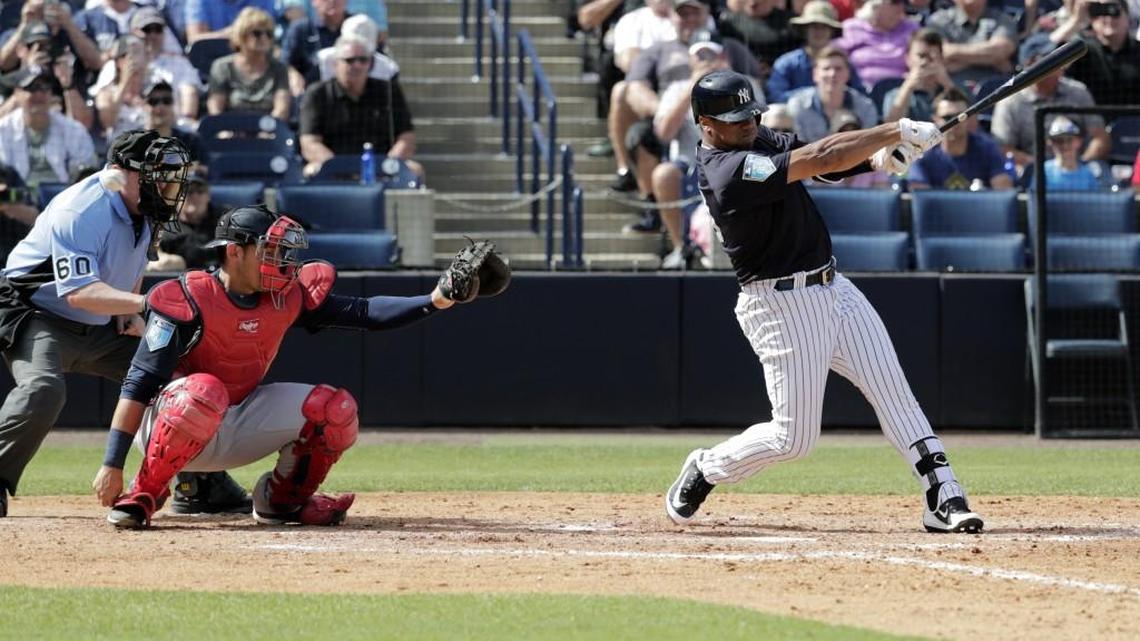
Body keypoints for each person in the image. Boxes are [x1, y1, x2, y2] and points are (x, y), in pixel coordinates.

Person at [665, 69, 984, 534]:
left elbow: (821, 161)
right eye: (734, 121)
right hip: (779, 306)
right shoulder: (725, 171)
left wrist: (878, 160)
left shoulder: (756, 139)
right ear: (705, 123)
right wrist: (895, 129)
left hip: (835, 288)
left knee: (894, 394)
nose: (748, 125)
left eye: (750, 115)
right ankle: (707, 467)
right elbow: (820, 155)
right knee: (793, 439)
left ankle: (945, 494)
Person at [91, 207, 508, 528]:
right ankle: (144, 492)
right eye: (270, 251)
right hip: (171, 419)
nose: (284, 262)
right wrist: (112, 463)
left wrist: (435, 299)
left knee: (334, 409)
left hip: (235, 416)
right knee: (204, 391)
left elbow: (366, 312)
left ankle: (281, 501)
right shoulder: (185, 296)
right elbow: (139, 383)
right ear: (235, 252)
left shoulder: (289, 294)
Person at [0, 129, 190, 518]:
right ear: (123, 173)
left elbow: (131, 265)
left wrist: (128, 312)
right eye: (157, 173)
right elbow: (79, 293)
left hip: (100, 320)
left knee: (182, 385)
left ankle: (201, 483)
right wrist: (149, 304)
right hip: (35, 313)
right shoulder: (82, 209)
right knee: (43, 390)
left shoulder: (145, 206)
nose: (168, 183)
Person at [299, 36, 420, 179]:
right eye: (350, 60)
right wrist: (339, 166)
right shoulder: (317, 94)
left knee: (414, 170)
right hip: (332, 167)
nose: (357, 65)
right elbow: (309, 143)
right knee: (310, 171)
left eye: (363, 60)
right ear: (336, 64)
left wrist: (390, 163)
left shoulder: (389, 91)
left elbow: (406, 137)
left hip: (381, 167)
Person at [990, 34, 1109, 170]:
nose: (1060, 62)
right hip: (1032, 171)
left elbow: (1100, 138)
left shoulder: (1078, 92)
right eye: (1051, 58)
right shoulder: (1011, 101)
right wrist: (1043, 169)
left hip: (1078, 169)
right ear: (1030, 64)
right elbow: (1002, 148)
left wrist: (1080, 165)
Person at [0, 67, 95, 187]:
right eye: (31, 88)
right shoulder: (3, 129)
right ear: (17, 93)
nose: (39, 94)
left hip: (63, 197)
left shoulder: (74, 130)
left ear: (51, 93)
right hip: (18, 197)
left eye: (44, 88)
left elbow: (86, 176)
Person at [907, 87, 1013, 190]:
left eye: (960, 117)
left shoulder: (988, 149)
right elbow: (920, 196)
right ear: (935, 120)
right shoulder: (921, 153)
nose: (954, 122)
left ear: (969, 119)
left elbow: (1003, 192)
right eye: (947, 117)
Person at [766, 1, 862, 103]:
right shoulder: (786, 63)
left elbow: (859, 97)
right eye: (814, 26)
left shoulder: (844, 64)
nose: (819, 32)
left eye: (824, 27)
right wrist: (815, 95)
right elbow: (775, 96)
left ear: (832, 31)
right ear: (805, 30)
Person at [206, 7, 291, 121]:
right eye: (257, 33)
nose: (264, 38)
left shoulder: (279, 68)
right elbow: (215, 107)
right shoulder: (222, 67)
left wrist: (267, 130)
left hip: (269, 133)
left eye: (269, 33)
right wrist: (223, 129)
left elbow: (281, 109)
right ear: (241, 35)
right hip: (231, 131)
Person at [786, 47, 879, 142]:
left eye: (838, 69)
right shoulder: (798, 105)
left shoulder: (865, 107)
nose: (832, 74)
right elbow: (796, 148)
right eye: (826, 69)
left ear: (848, 74)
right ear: (815, 74)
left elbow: (868, 146)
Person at [1063, 0, 1140, 105]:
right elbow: (1043, 59)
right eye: (1100, 11)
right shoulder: (1082, 52)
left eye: (1114, 10)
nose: (1108, 19)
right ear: (1091, 19)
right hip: (1091, 117)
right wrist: (1075, 21)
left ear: (1127, 16)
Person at [926, 0, 1018, 87]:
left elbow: (999, 51)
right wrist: (992, 60)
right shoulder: (938, 21)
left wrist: (954, 55)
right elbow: (938, 55)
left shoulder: (1003, 20)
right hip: (953, 95)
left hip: (995, 94)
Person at [834, 0, 918, 90]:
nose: (901, 8)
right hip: (861, 91)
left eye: (903, 3)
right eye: (894, 2)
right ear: (875, 5)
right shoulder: (853, 28)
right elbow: (832, 54)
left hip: (900, 91)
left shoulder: (911, 28)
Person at [148, 172, 224, 271]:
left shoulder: (225, 220)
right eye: (187, 191)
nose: (194, 196)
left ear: (208, 196)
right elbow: (154, 260)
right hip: (182, 281)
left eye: (200, 191)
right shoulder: (162, 227)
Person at [883, 28, 959, 122]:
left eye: (932, 57)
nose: (925, 62)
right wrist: (908, 87)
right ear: (908, 59)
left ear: (941, 59)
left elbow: (971, 126)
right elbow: (890, 127)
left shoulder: (958, 88)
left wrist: (948, 85)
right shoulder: (895, 94)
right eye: (921, 56)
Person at [714, 0, 799, 80]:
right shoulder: (728, 22)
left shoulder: (791, 22)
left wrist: (772, 69)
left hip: (780, 77)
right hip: (741, 78)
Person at [1040, 116, 1103, 191]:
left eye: (1069, 140)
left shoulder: (1088, 174)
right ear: (1050, 142)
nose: (1065, 145)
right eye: (1059, 140)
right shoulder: (1041, 172)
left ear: (1079, 141)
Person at [185, 0, 278, 44]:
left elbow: (267, 35)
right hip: (209, 68)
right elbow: (194, 40)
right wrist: (231, 34)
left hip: (254, 61)